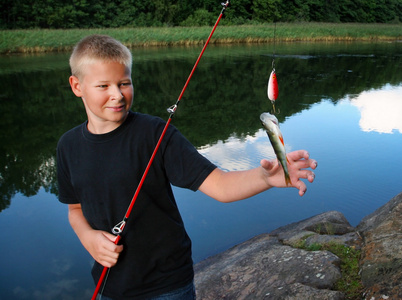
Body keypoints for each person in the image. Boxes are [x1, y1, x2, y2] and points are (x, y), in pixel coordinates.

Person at [57, 34, 317, 300]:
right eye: (103, 86)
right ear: (77, 86)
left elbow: (220, 185)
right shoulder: (67, 146)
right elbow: (74, 209)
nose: (117, 95)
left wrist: (264, 177)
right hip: (109, 286)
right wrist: (88, 238)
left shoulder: (155, 133)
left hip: (168, 285)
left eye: (124, 83)